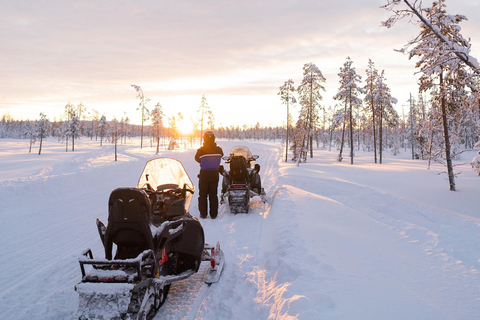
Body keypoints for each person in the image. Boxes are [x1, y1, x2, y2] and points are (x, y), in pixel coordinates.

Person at [195, 131, 224, 219]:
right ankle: (214, 214)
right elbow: (221, 155)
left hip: (204, 174)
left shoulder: (201, 151)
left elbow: (197, 159)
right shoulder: (219, 150)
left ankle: (203, 214)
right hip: (215, 174)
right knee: (213, 194)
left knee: (203, 195)